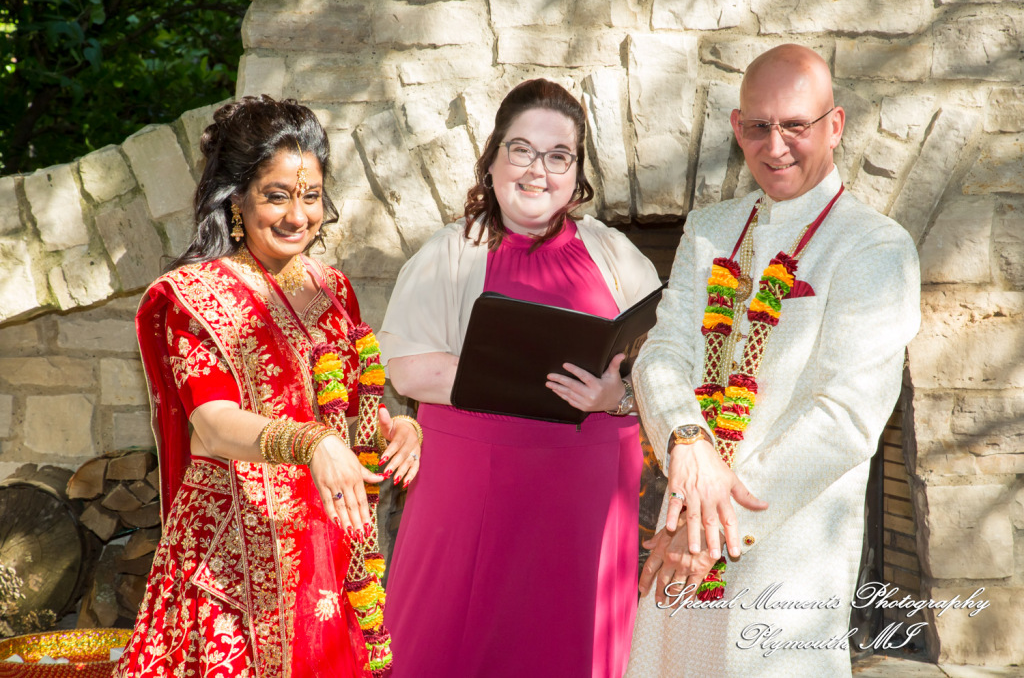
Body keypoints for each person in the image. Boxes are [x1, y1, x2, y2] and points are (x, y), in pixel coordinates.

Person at [626, 44, 921, 677]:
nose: (776, 144)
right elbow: (662, 353)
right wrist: (686, 438)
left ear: (835, 126)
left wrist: (707, 527)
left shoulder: (876, 247)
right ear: (737, 129)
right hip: (683, 548)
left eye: (796, 125)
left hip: (785, 564)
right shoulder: (709, 228)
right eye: (759, 126)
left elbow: (845, 419)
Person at [115, 95, 421, 678]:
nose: (297, 216)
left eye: (310, 197)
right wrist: (310, 443)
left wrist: (398, 429)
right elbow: (212, 422)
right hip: (230, 555)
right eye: (276, 195)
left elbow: (351, 411)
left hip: (325, 548)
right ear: (236, 198)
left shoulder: (334, 289)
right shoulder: (195, 296)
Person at [378, 78, 661, 678]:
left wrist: (620, 395)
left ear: (577, 171)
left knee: (569, 645)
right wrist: (526, 376)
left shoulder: (614, 254)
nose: (538, 170)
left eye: (558, 156)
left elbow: (662, 356)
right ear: (493, 157)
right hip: (474, 491)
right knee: (450, 641)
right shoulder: (449, 253)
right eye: (521, 150)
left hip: (588, 495)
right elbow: (408, 366)